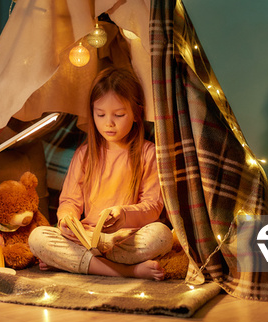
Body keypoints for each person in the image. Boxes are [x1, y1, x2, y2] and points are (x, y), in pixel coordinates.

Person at [28, 67, 173, 280]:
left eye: (119, 114)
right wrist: (66, 221)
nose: (109, 123)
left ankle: (77, 263)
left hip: (125, 239)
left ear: (136, 114)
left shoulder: (148, 153)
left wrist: (123, 214)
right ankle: (127, 271)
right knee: (38, 238)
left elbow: (153, 207)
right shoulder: (84, 154)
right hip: (86, 238)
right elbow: (69, 201)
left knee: (162, 235)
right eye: (100, 114)